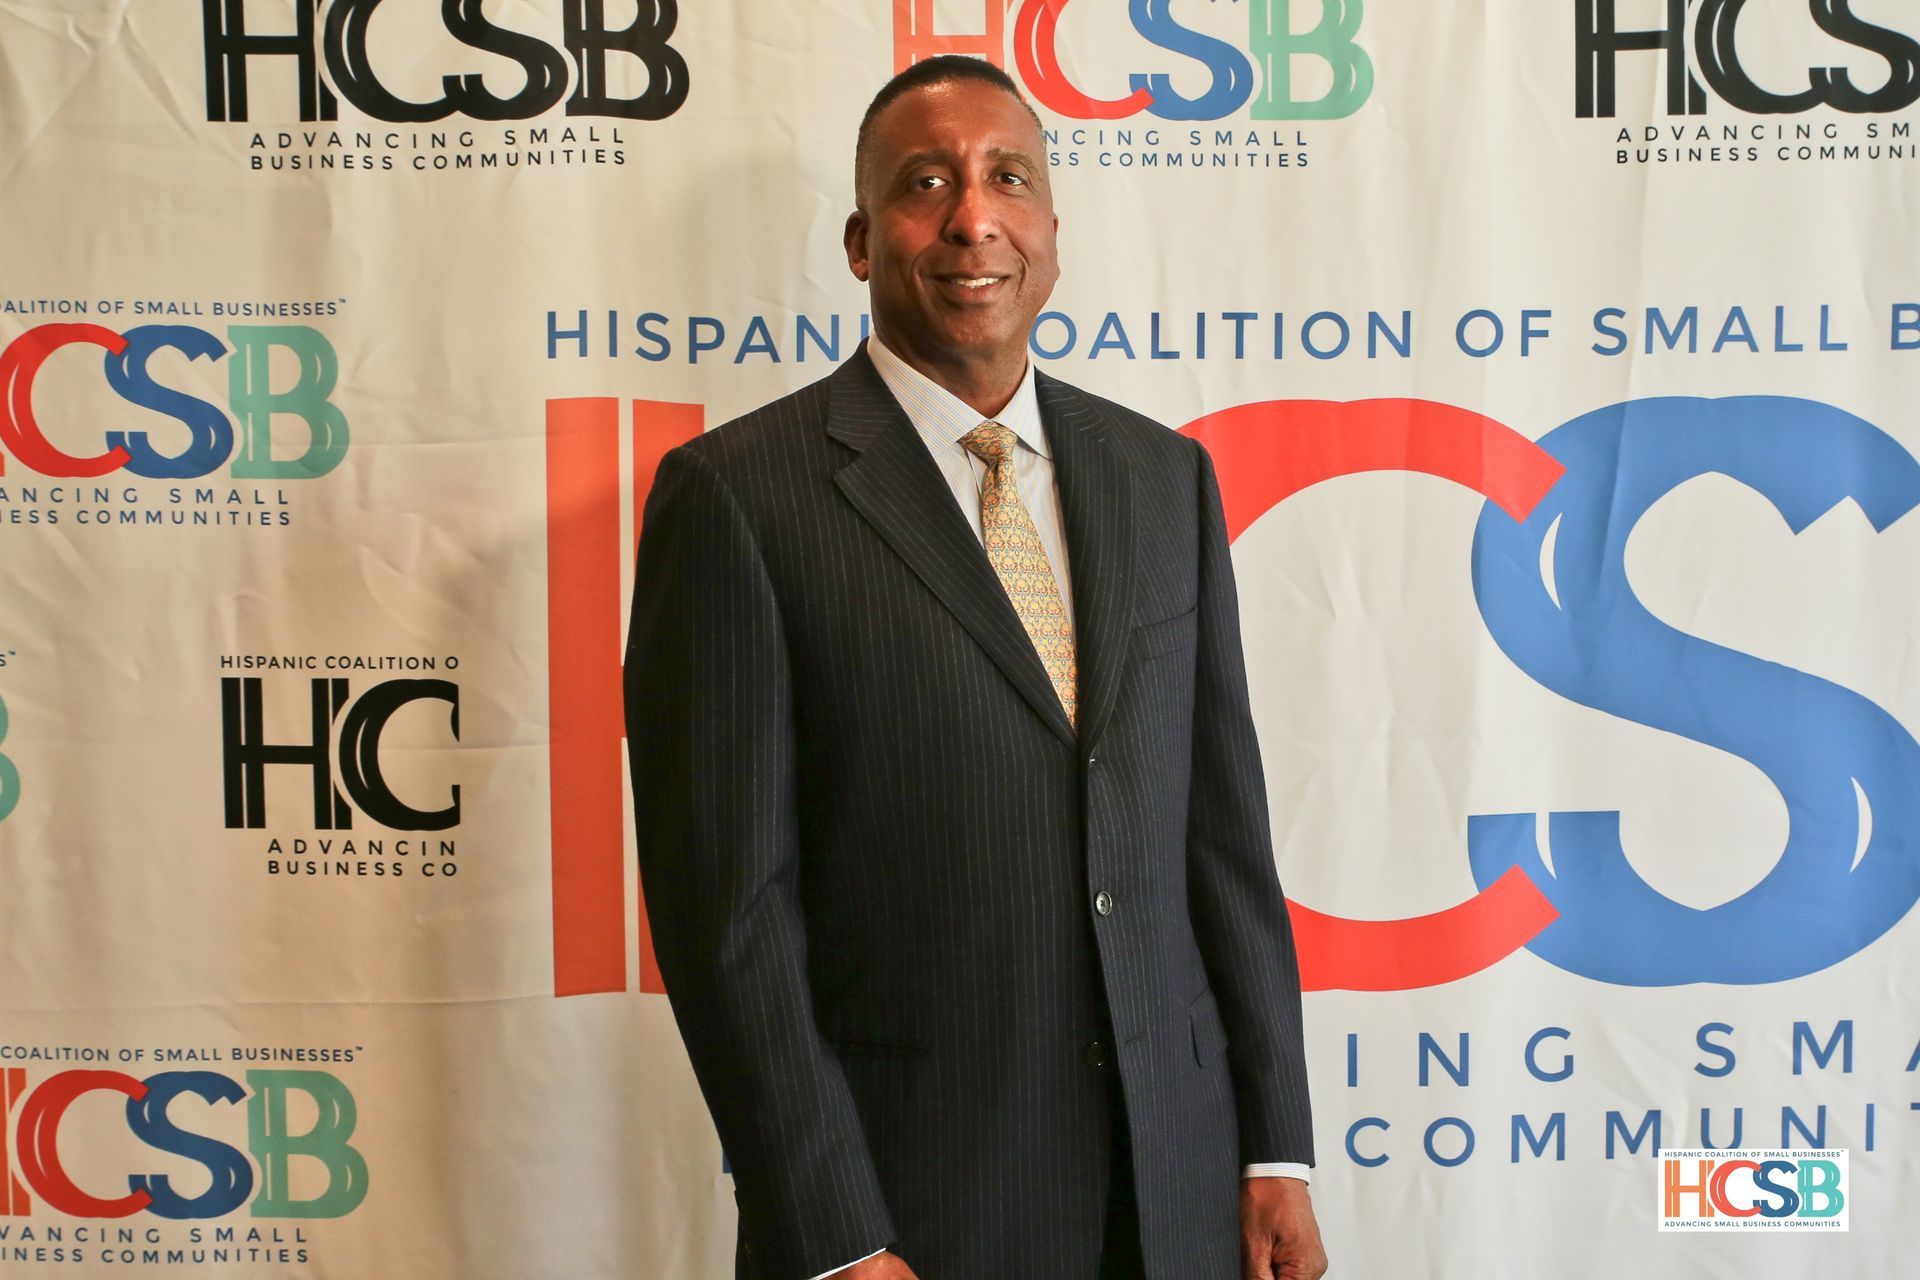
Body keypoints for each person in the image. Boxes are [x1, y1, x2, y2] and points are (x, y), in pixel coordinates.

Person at [625, 55, 1326, 1280]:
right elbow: (726, 914)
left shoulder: (1165, 479)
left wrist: (1276, 1150)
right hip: (914, 1212)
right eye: (925, 183)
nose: (972, 216)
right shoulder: (737, 499)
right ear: (859, 240)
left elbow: (1223, 835)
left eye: (1008, 177)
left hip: (1177, 1193)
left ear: (1051, 234)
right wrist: (834, 1235)